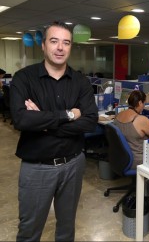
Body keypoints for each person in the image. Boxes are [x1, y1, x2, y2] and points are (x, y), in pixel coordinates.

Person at [10, 21, 98, 241]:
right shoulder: (24, 78)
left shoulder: (80, 81)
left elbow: (90, 121)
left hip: (74, 164)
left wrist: (43, 122)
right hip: (37, 168)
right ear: (43, 45)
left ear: (70, 47)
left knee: (67, 228)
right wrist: (67, 115)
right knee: (29, 231)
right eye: (54, 41)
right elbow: (21, 119)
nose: (60, 47)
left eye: (66, 42)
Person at [114, 90, 149, 169]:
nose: (144, 106)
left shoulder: (119, 115)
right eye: (144, 103)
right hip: (138, 161)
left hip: (120, 158)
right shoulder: (140, 119)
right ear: (140, 103)